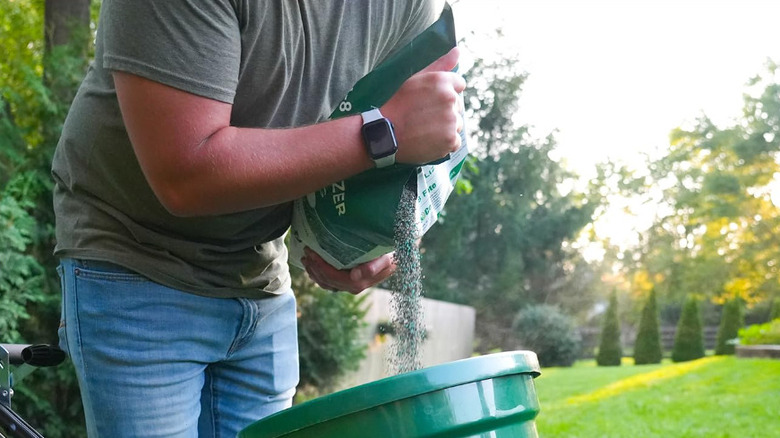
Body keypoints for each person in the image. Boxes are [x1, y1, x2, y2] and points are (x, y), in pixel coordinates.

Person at [51, 0, 464, 436]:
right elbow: (186, 175)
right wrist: (383, 133)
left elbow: (426, 129)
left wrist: (378, 237)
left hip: (260, 278)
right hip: (136, 263)